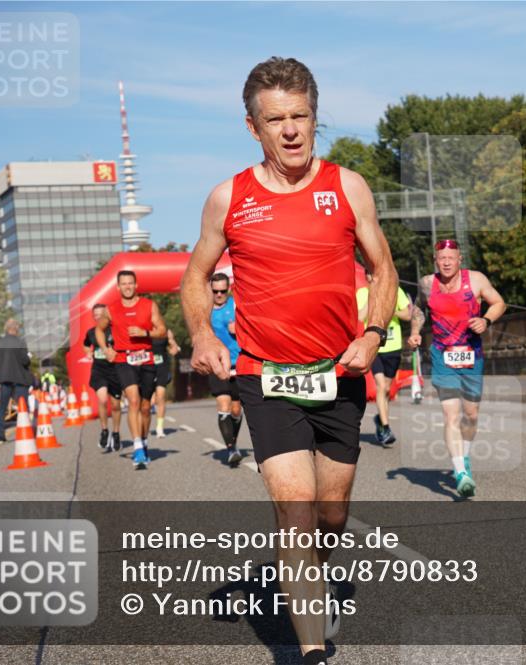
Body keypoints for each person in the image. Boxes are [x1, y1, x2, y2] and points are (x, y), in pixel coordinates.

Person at [180, 57, 397, 665]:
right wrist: (202, 333)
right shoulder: (229, 198)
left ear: (315, 116)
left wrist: (373, 333)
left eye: (300, 116)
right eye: (276, 120)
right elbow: (195, 276)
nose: (292, 130)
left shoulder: (347, 187)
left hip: (340, 373)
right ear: (253, 127)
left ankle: (311, 580)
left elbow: (383, 269)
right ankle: (311, 650)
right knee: (295, 512)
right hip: (266, 376)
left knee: (331, 515)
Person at [408, 239, 506, 498]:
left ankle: (465, 455)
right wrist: (416, 331)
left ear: (460, 259)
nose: (447, 262)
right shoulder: (427, 284)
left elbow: (499, 303)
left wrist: (486, 320)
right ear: (435, 261)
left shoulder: (476, 280)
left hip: (472, 354)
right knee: (451, 415)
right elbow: (418, 309)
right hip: (442, 356)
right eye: (442, 258)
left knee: (471, 415)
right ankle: (461, 471)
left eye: (451, 258)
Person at [96, 270, 166, 468]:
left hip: (146, 358)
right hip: (123, 359)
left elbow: (162, 330)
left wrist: (145, 332)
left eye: (130, 283)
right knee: (133, 400)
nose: (127, 287)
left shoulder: (149, 305)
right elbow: (99, 329)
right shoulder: (111, 309)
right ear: (118, 287)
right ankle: (137, 447)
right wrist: (106, 349)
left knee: (145, 406)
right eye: (123, 284)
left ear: (136, 285)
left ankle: (143, 440)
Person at [356, 270, 411, 447]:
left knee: (386, 389)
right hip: (374, 346)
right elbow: (360, 317)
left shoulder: (395, 290)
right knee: (381, 385)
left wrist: (390, 308)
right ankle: (386, 428)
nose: (374, 278)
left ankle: (380, 418)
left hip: (393, 346)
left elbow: (408, 314)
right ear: (367, 277)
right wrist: (373, 297)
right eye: (370, 274)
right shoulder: (362, 293)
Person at [207, 272, 244, 466]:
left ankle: (233, 442)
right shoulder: (204, 310)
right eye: (216, 291)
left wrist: (241, 327)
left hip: (239, 363)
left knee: (236, 410)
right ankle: (231, 449)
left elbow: (255, 325)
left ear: (228, 289)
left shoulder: (236, 305)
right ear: (211, 290)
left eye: (223, 291)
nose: (219, 295)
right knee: (224, 405)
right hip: (217, 364)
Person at [84, 303, 123, 451]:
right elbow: (86, 345)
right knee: (102, 399)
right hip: (99, 370)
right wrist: (88, 352)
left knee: (116, 405)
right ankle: (104, 430)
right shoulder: (91, 332)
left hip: (115, 370)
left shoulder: (115, 330)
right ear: (93, 317)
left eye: (101, 314)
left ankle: (116, 433)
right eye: (96, 314)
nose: (98, 316)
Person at [0, 318, 32, 443]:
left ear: (6, 328)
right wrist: (28, 358)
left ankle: (0, 436)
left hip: (5, 378)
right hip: (20, 379)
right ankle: (26, 432)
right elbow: (25, 361)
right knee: (23, 406)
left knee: (2, 408)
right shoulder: (20, 342)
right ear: (16, 328)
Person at [151, 328, 181, 438]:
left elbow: (173, 347)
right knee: (149, 401)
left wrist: (174, 348)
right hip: (146, 368)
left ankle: (159, 428)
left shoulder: (166, 331)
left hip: (161, 367)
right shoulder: (142, 329)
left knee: (161, 396)